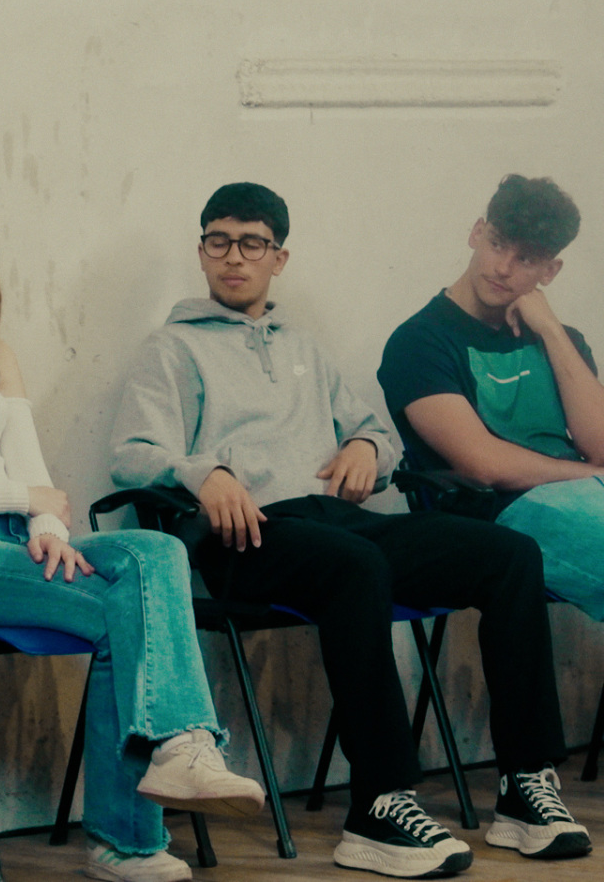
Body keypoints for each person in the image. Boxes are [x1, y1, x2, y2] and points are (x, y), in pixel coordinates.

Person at [110, 181, 590, 877]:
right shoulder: (171, 348)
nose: (234, 257)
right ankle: (380, 804)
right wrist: (203, 472)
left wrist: (367, 447)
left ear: (279, 258)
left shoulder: (305, 347)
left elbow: (376, 433)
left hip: (334, 521)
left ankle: (524, 786)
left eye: (253, 244)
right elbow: (133, 451)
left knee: (508, 553)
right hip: (246, 532)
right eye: (219, 241)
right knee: (356, 564)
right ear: (203, 251)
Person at [0, 174, 264, 882]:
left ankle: (177, 754)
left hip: (12, 543)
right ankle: (136, 829)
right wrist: (23, 495)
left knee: (154, 550)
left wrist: (45, 524)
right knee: (126, 612)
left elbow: (31, 467)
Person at [379, 175, 604, 624]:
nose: (503, 268)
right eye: (498, 244)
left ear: (550, 272)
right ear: (477, 232)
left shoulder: (562, 340)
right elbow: (484, 465)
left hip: (583, 502)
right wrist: (590, 475)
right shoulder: (419, 342)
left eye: (527, 259)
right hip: (496, 514)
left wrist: (552, 331)